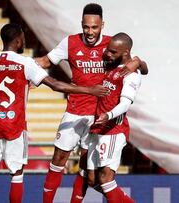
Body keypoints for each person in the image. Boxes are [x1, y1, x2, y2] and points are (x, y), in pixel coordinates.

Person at [0, 23, 109, 203]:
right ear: (18, 40)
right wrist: (90, 90)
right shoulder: (25, 63)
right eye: (23, 38)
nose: (24, 42)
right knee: (16, 175)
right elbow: (54, 84)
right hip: (14, 125)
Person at [35, 3, 148, 203]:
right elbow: (45, 62)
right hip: (75, 110)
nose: (90, 32)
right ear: (81, 24)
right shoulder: (70, 42)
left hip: (98, 117)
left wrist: (138, 61)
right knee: (58, 160)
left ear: (102, 25)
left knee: (88, 172)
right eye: (86, 27)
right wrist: (19, 63)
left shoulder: (111, 45)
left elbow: (135, 64)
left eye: (94, 27)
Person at [87, 32, 141, 203]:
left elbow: (125, 104)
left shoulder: (131, 74)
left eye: (112, 52)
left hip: (113, 130)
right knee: (92, 180)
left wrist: (108, 115)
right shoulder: (111, 64)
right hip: (97, 128)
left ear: (125, 53)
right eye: (108, 50)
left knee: (105, 179)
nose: (107, 54)